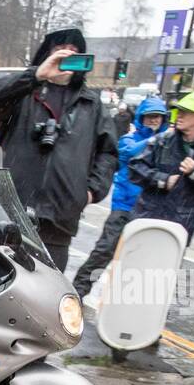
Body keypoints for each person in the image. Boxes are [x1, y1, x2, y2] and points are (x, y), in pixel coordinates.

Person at [0, 26, 118, 270]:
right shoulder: (22, 93)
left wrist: (88, 192)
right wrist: (36, 75)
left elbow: (108, 153)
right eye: (60, 50)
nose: (67, 55)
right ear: (46, 54)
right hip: (8, 214)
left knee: (45, 299)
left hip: (59, 222)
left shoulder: (92, 105)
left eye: (75, 52)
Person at [71, 96, 167, 300]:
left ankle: (128, 309)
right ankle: (76, 293)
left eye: (158, 117)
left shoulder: (166, 144)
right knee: (104, 251)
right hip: (124, 207)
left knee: (141, 262)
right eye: (150, 116)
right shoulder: (129, 139)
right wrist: (157, 139)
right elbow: (130, 151)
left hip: (150, 211)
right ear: (141, 117)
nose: (154, 121)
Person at [128, 90, 194, 242]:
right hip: (146, 216)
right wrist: (163, 180)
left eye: (186, 112)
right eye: (179, 111)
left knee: (165, 265)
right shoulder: (163, 140)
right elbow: (135, 167)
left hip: (181, 223)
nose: (179, 115)